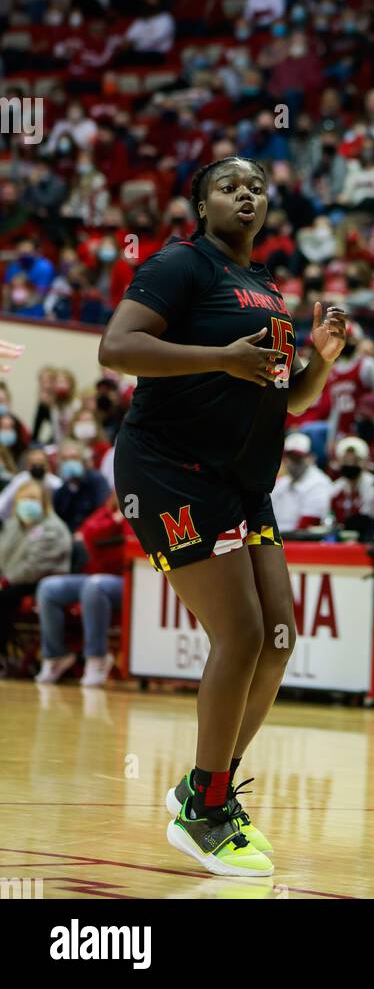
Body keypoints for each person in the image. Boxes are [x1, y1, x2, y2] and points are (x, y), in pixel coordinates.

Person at [99, 155, 347, 876]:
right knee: (238, 635)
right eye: (228, 187)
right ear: (201, 206)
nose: (247, 195)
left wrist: (321, 361)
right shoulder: (182, 265)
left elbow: (288, 398)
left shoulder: (265, 287)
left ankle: (204, 789)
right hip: (169, 468)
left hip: (242, 480)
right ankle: (205, 812)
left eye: (257, 187)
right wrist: (217, 358)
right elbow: (119, 347)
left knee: (276, 637)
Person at [34, 492, 127, 686]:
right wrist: (114, 520)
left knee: (95, 586)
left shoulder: (146, 509)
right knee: (48, 587)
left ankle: (97, 657)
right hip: (95, 575)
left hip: (128, 581)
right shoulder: (107, 511)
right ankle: (57, 655)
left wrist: (119, 522)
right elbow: (87, 534)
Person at [0, 480, 71, 671]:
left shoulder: (52, 527)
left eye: (32, 498)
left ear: (44, 502)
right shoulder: (12, 525)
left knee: (3, 598)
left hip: (42, 581)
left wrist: (6, 581)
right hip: (14, 582)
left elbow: (36, 566)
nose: (27, 502)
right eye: (23, 498)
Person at [270, 432, 333, 534]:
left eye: (297, 458)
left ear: (310, 458)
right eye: (289, 457)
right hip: (279, 539)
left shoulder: (319, 482)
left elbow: (307, 524)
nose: (292, 463)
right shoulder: (281, 483)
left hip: (304, 543)